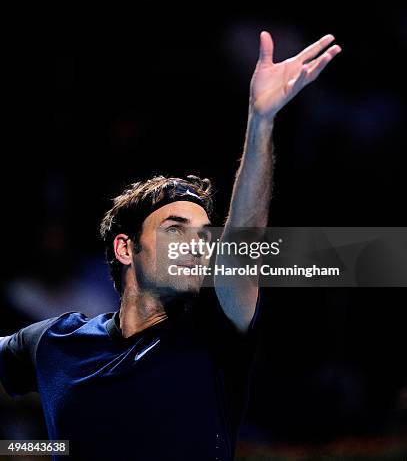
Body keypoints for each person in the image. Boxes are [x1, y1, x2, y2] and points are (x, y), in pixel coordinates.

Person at [0, 32, 341, 460]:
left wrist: (261, 123)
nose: (197, 246)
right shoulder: (52, 342)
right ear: (126, 249)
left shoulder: (214, 332)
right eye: (175, 229)